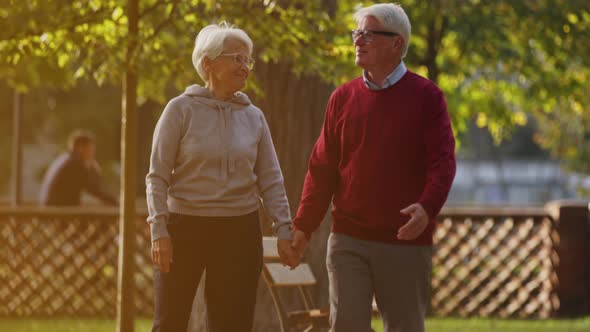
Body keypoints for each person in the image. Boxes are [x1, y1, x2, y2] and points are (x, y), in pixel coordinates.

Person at [290, 3, 456, 332]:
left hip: (405, 239)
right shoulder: (342, 97)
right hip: (348, 238)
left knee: (405, 326)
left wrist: (427, 207)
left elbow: (443, 162)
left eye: (368, 34)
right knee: (347, 325)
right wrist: (303, 227)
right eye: (357, 33)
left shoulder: (427, 97)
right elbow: (321, 170)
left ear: (397, 43)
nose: (358, 41)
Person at [146, 22, 297, 332]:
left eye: (247, 60)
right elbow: (157, 176)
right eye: (236, 58)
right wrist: (158, 229)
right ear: (208, 63)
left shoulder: (253, 116)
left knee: (233, 324)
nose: (245, 67)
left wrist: (284, 227)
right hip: (183, 226)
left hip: (238, 229)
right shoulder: (180, 110)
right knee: (169, 322)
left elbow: (271, 179)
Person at [39, 129, 118, 206]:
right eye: (91, 148)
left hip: (53, 209)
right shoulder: (75, 164)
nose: (93, 152)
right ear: (80, 147)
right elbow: (94, 189)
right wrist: (116, 202)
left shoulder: (66, 159)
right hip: (60, 213)